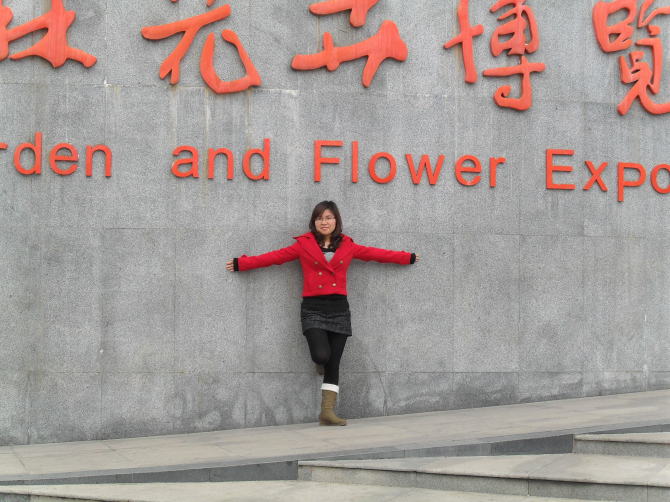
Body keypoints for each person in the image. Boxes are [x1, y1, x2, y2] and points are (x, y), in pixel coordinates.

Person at [226, 201, 419, 426]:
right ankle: (320, 363)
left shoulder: (348, 245)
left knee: (334, 363)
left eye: (328, 217)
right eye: (319, 218)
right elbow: (274, 257)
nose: (324, 222)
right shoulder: (303, 245)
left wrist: (407, 258)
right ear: (314, 222)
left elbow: (377, 254)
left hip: (339, 308)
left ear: (336, 220)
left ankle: (327, 412)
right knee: (321, 356)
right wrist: (241, 264)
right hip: (313, 307)